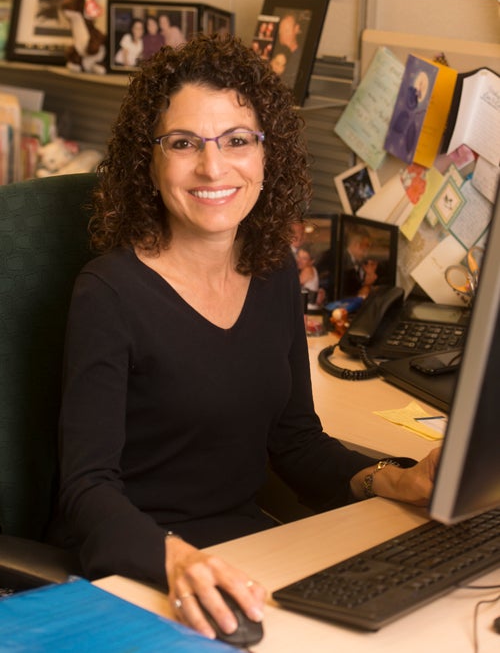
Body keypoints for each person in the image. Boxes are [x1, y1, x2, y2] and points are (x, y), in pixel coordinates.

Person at [49, 34, 440, 643]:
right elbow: (86, 490)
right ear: (147, 163)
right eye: (183, 144)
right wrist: (179, 560)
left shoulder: (273, 269)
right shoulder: (109, 293)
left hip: (247, 556)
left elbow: (296, 442)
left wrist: (396, 478)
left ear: (267, 154)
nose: (212, 167)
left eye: (236, 141)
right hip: (143, 571)